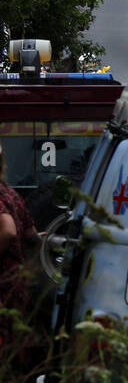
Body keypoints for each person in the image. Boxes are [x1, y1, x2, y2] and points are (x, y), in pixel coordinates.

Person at [0, 145, 40, 362]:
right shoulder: (10, 192)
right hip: (18, 283)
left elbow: (8, 231)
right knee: (16, 346)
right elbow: (32, 236)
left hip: (3, 285)